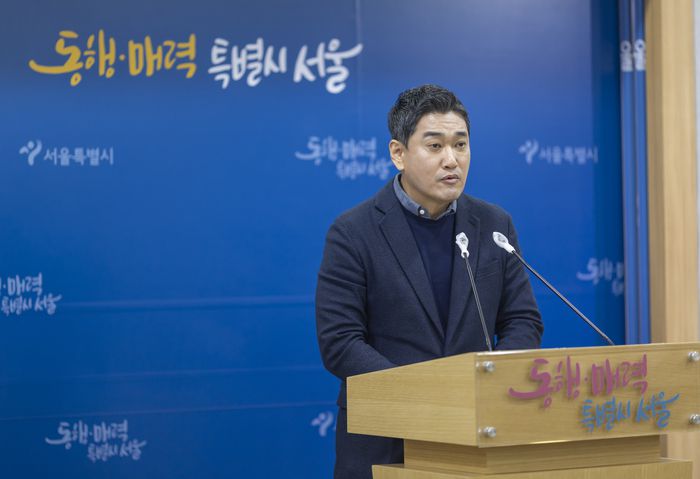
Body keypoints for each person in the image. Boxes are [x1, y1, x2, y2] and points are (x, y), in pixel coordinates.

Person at [315, 84, 543, 479]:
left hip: (477, 436)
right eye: (435, 146)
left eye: (461, 145)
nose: (451, 160)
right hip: (385, 441)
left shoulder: (494, 225)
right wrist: (424, 395)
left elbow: (522, 321)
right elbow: (340, 342)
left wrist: (493, 382)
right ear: (398, 153)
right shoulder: (353, 232)